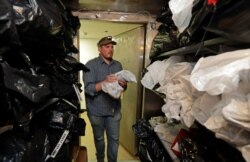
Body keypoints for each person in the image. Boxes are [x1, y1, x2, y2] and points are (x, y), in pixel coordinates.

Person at [83, 36, 127, 162]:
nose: (110, 49)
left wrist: (124, 85)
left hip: (114, 110)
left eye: (112, 47)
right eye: (107, 46)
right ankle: (100, 160)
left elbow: (122, 87)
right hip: (96, 111)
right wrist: (104, 82)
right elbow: (88, 89)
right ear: (99, 48)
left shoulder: (118, 65)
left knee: (114, 140)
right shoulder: (90, 65)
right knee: (99, 140)